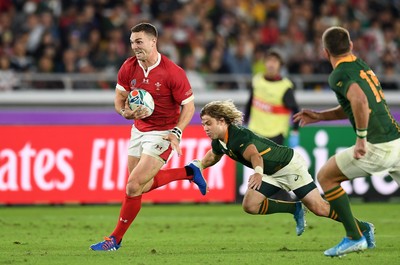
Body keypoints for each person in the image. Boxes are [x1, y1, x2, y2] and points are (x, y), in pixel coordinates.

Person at [90, 22, 208, 251]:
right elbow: (119, 98)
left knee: (133, 186)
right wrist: (124, 112)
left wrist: (177, 132)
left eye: (139, 41)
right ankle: (189, 172)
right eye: (132, 42)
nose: (135, 46)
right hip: (138, 129)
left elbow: (190, 107)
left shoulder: (172, 72)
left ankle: (114, 239)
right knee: (139, 188)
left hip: (163, 133)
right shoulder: (128, 67)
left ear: (153, 41)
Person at [189, 100, 374, 242]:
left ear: (222, 121)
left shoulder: (239, 136)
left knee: (320, 208)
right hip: (271, 172)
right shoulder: (219, 141)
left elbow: (256, 156)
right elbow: (212, 157)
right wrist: (199, 167)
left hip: (288, 166)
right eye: (204, 124)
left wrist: (258, 173)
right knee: (250, 205)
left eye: (208, 123)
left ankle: (363, 227)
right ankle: (295, 207)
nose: (205, 128)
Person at [294, 26, 400, 257]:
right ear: (351, 45)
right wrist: (321, 116)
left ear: (325, 52)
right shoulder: (361, 66)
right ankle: (362, 231)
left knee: (326, 177)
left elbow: (360, 102)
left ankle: (355, 236)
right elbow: (354, 104)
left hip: (377, 144)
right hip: (396, 142)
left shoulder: (338, 74)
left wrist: (361, 138)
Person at [244, 49, 300, 201]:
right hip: (256, 131)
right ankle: (279, 197)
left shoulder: (285, 86)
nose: (271, 65)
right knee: (262, 168)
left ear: (280, 66)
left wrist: (295, 131)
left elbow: (295, 110)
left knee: (273, 169)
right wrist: (245, 121)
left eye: (274, 62)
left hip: (276, 133)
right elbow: (250, 102)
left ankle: (284, 197)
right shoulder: (257, 80)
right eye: (269, 61)